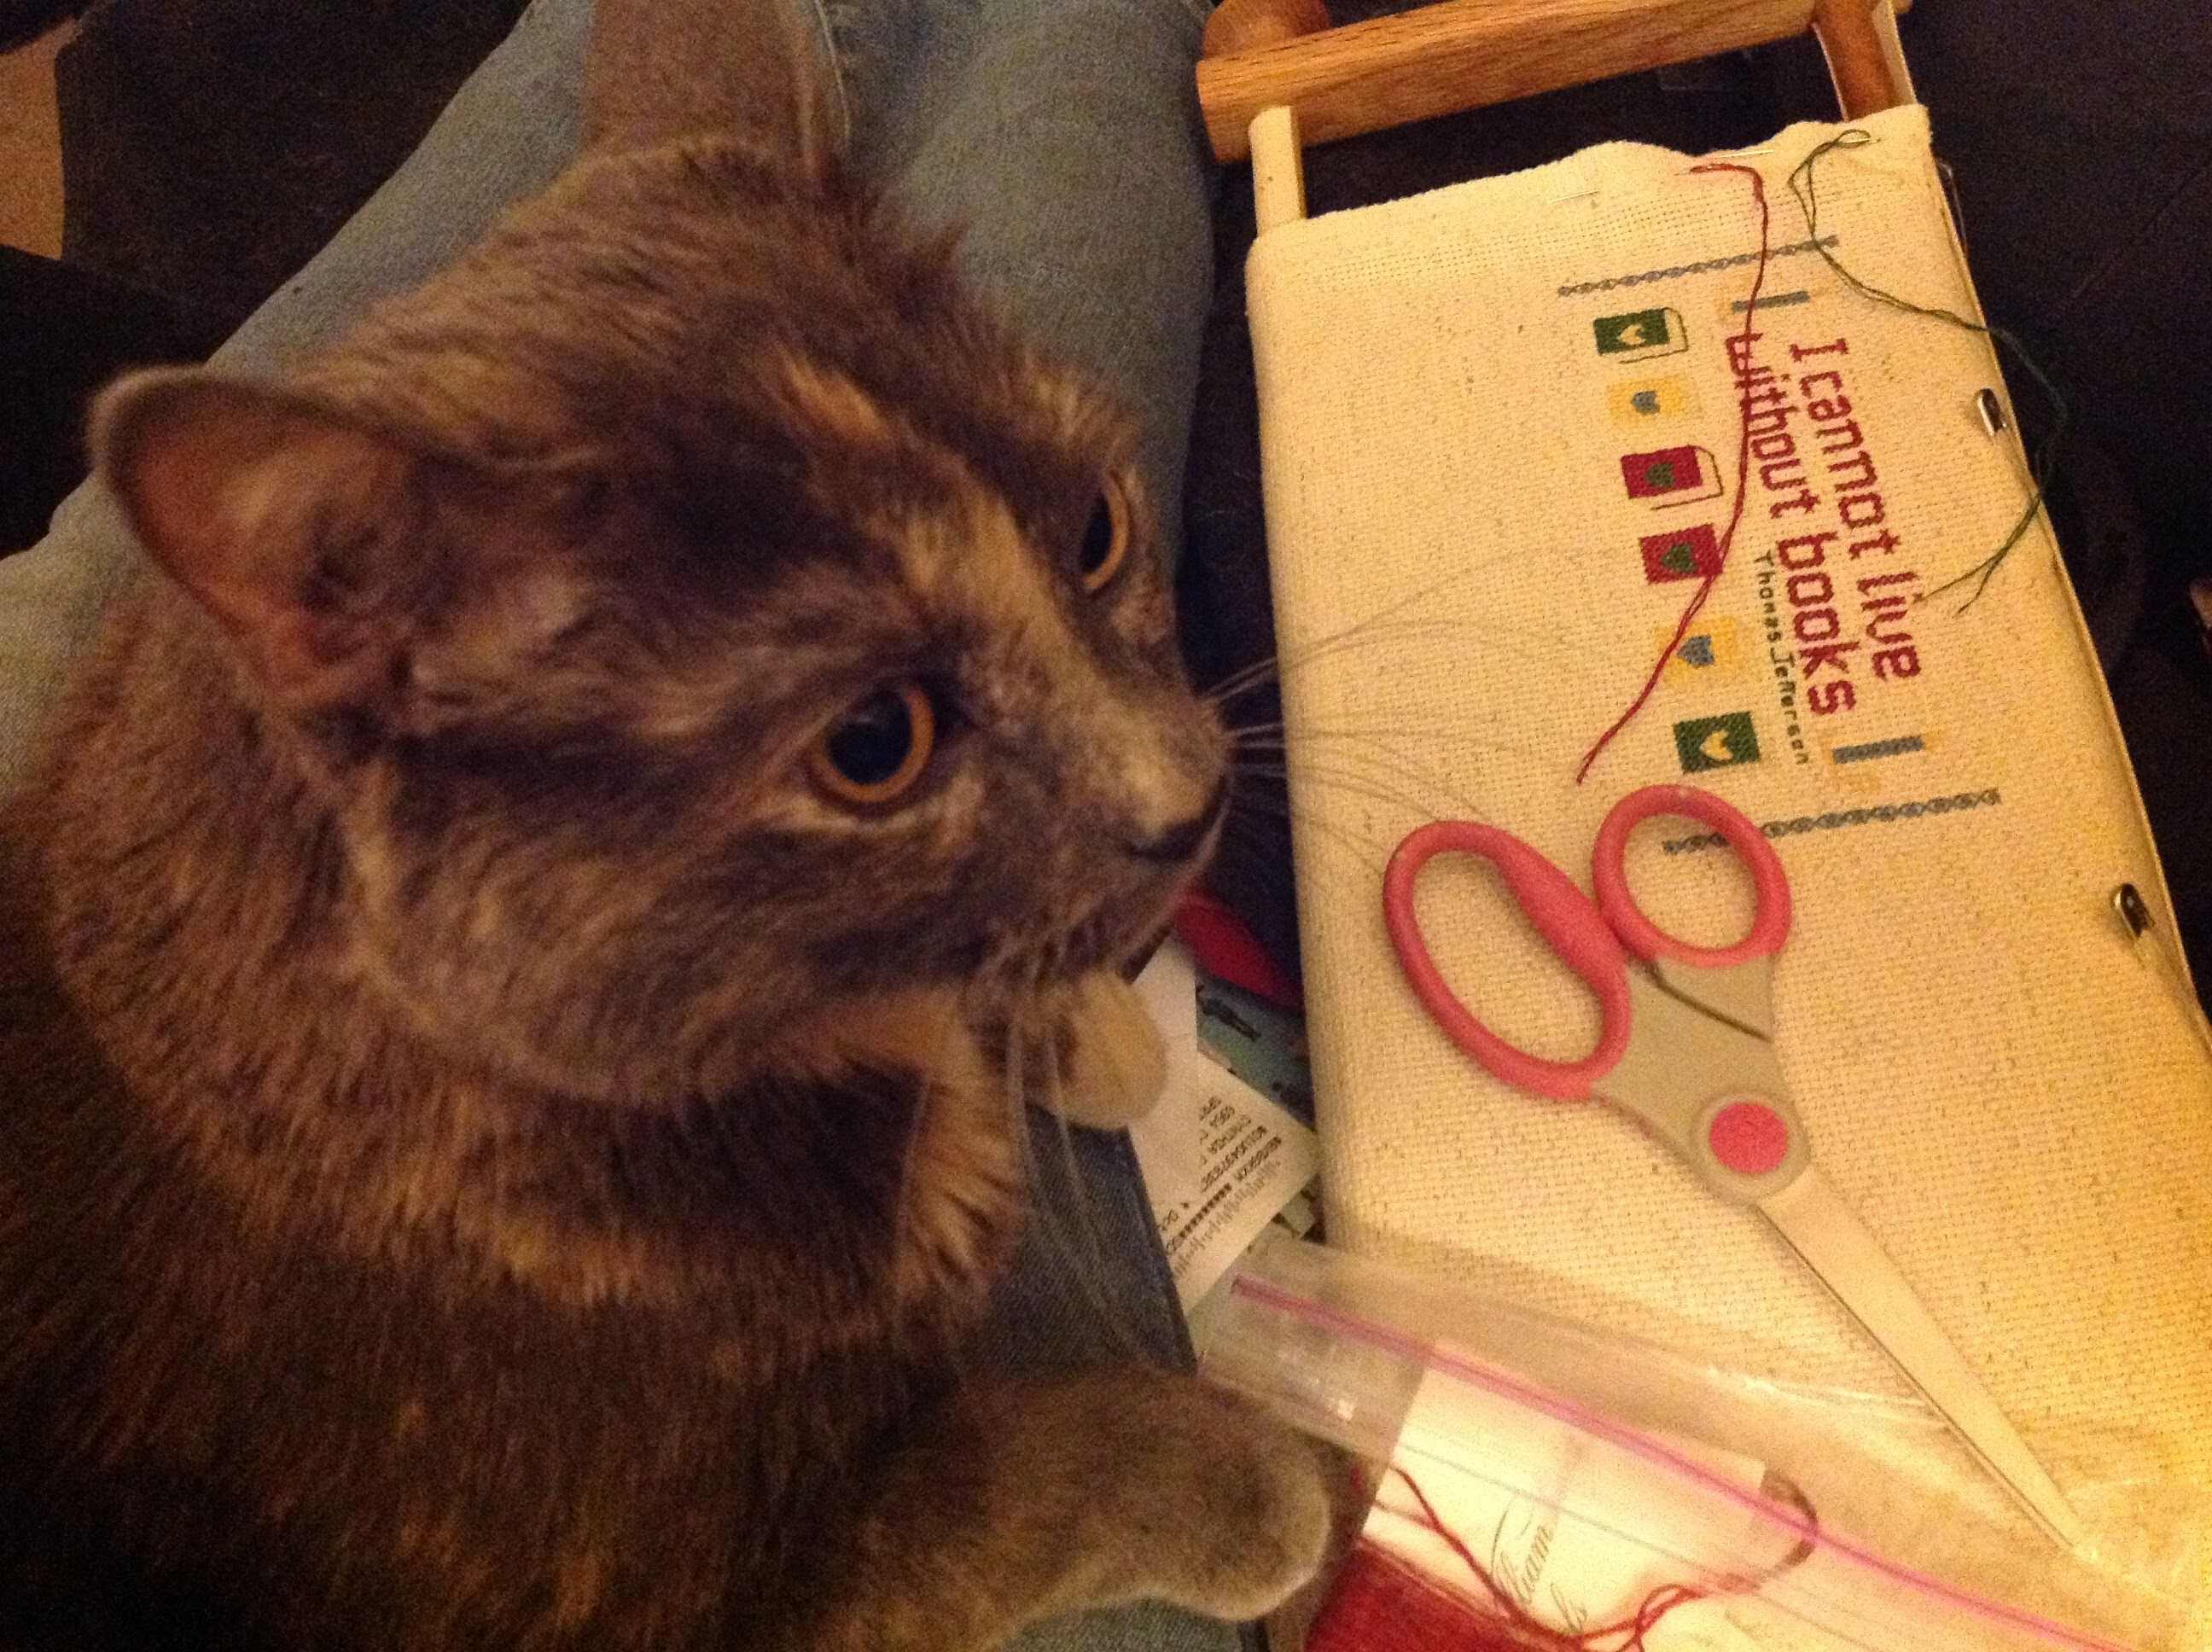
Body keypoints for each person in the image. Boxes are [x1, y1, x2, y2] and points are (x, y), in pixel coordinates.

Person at [0, 2, 1249, 1648]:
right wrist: (1106, 1481)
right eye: (877, 744)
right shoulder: (556, 1330)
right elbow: (765, 1599)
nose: (1177, 779)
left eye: (1087, 531)